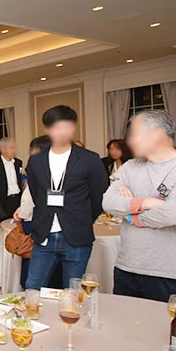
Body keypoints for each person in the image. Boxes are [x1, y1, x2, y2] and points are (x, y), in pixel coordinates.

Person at [102, 111, 176, 302]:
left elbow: (171, 214)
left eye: (135, 134)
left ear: (159, 134)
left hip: (173, 272)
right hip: (128, 267)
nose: (129, 141)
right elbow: (108, 202)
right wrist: (147, 203)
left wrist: (130, 215)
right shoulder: (130, 167)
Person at [25, 105, 109, 289]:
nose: (61, 131)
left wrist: (82, 218)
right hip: (44, 234)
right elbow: (37, 194)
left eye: (66, 126)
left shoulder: (90, 159)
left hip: (76, 235)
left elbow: (99, 196)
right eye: (56, 126)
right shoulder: (36, 160)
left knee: (73, 291)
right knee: (33, 287)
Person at [14, 135, 52, 288]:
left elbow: (30, 198)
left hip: (34, 221)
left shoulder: (37, 168)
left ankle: (29, 289)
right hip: (50, 221)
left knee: (31, 256)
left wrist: (21, 215)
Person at [0, 137, 23, 219]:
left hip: (17, 200)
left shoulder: (18, 163)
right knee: (3, 224)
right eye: (11, 148)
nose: (14, 150)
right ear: (2, 149)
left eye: (15, 147)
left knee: (18, 224)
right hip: (2, 202)